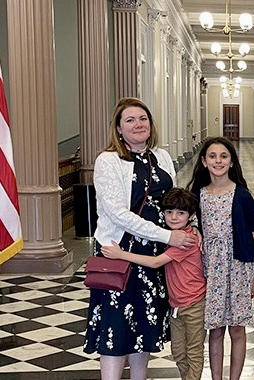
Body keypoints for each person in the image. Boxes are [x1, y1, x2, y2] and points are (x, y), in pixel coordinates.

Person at [84, 97, 199, 380]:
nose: (138, 124)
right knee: (116, 326)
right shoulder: (108, 160)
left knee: (143, 324)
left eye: (143, 119)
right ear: (119, 129)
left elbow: (173, 202)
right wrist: (167, 235)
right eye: (130, 120)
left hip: (153, 256)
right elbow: (117, 213)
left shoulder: (161, 156)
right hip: (119, 251)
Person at [101, 188, 206, 380]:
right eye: (169, 212)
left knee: (193, 352)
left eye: (180, 213)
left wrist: (121, 255)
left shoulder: (185, 240)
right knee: (179, 352)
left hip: (194, 304)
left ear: (191, 216)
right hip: (176, 305)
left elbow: (155, 262)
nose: (173, 217)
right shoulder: (173, 235)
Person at [187, 137, 254, 380]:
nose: (218, 161)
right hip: (209, 268)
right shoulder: (197, 196)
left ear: (231, 162)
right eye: (212, 156)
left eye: (223, 156)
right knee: (215, 329)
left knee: (237, 328)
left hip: (239, 266)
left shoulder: (242, 195)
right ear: (204, 161)